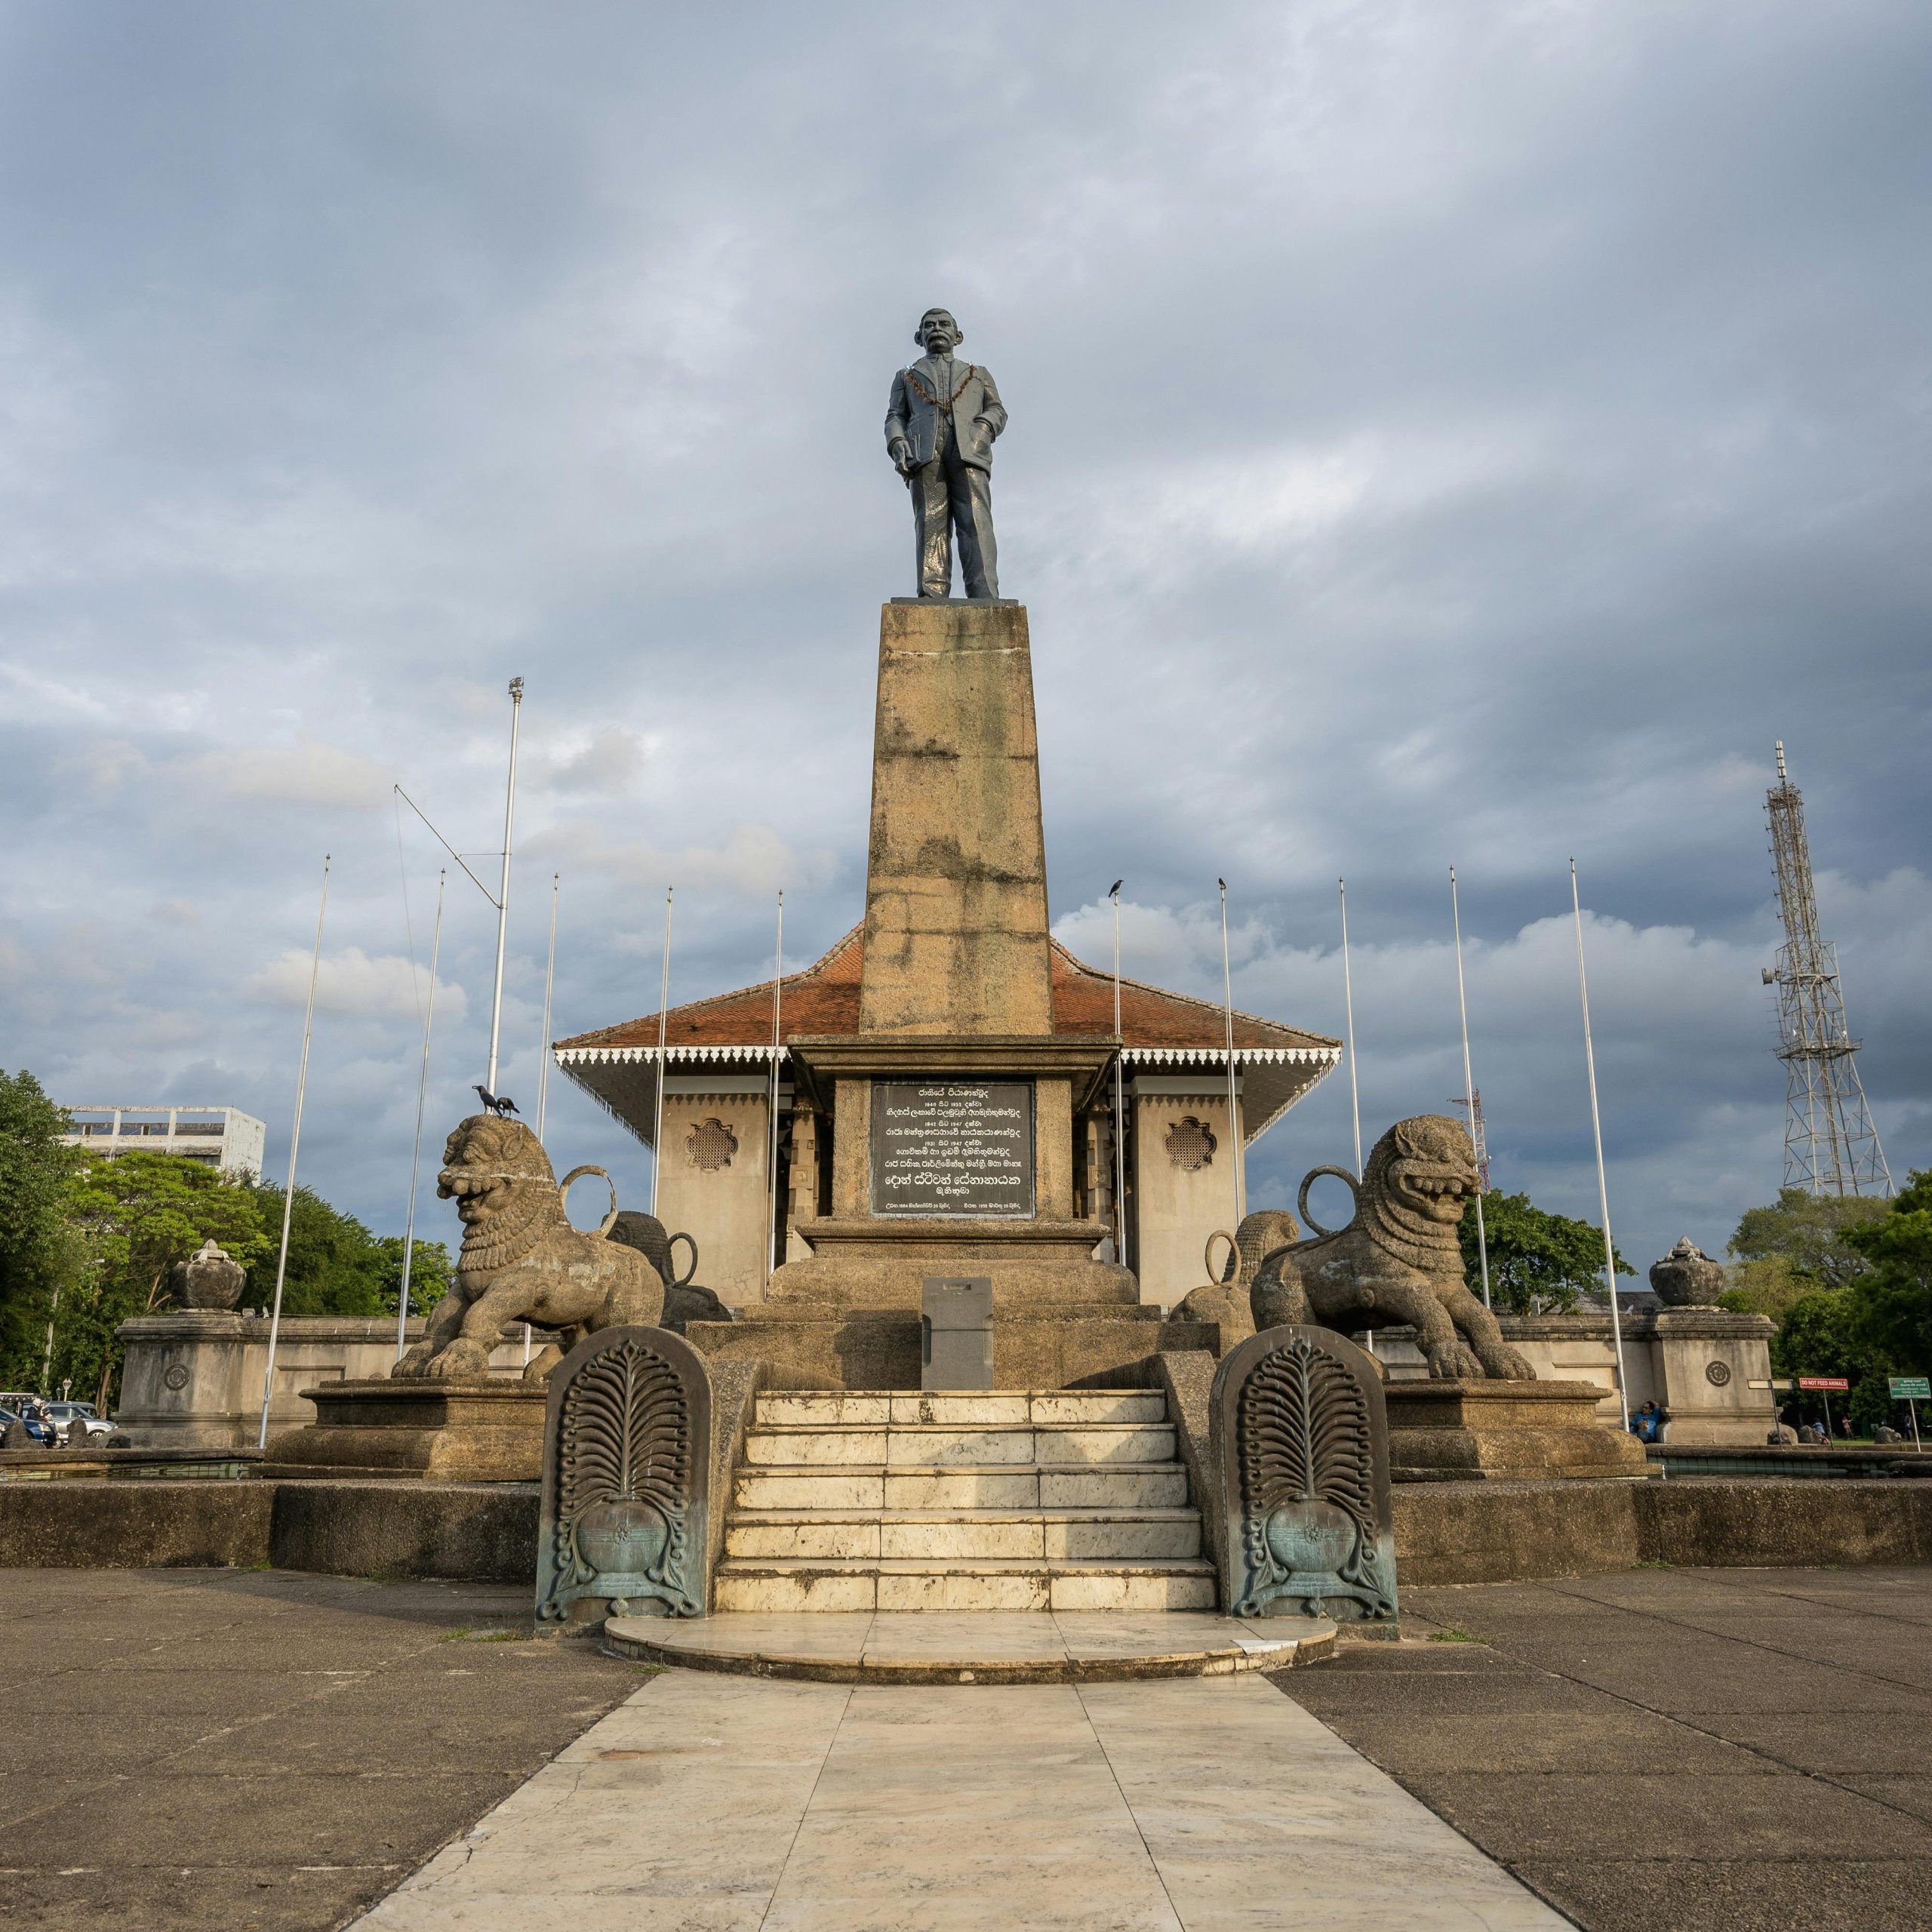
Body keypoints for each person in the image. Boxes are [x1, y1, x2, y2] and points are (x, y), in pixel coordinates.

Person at [884, 308, 1007, 599]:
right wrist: (897, 441)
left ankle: (984, 592)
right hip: (924, 452)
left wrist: (984, 427)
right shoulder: (906, 376)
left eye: (944, 324)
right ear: (919, 336)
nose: (936, 329)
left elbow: (997, 410)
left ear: (958, 335)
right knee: (930, 520)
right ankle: (932, 592)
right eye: (929, 325)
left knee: (976, 520)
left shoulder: (978, 374)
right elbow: (894, 416)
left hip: (969, 451)